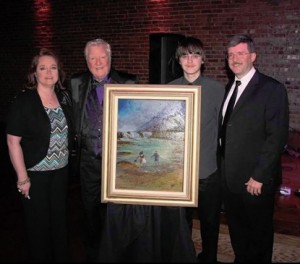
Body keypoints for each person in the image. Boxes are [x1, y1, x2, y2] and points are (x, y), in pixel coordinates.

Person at [218, 34, 289, 262]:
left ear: (253, 56)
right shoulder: (230, 86)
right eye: (230, 54)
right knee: (238, 233)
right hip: (230, 178)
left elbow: (276, 137)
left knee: (258, 236)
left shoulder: (272, 89)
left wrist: (259, 176)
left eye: (240, 53)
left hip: (254, 181)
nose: (234, 58)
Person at [69, 38, 137, 262]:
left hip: (115, 161)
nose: (98, 62)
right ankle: (94, 252)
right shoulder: (76, 83)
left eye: (102, 57)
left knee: (115, 210)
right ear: (87, 60)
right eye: (92, 58)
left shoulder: (127, 82)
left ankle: (116, 251)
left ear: (110, 58)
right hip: (87, 159)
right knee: (90, 210)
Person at [6, 48, 74, 262]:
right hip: (35, 174)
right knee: (38, 227)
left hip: (60, 172)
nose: (48, 72)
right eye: (42, 68)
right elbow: (12, 141)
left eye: (53, 67)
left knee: (59, 223)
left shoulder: (63, 97)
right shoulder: (24, 101)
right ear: (34, 72)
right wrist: (22, 178)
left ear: (58, 72)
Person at [169, 36, 225, 262]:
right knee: (180, 222)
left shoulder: (218, 89)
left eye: (195, 55)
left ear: (203, 60)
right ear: (179, 60)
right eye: (185, 55)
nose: (190, 60)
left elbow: (224, 131)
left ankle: (209, 257)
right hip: (178, 172)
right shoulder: (169, 89)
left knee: (210, 221)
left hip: (207, 171)